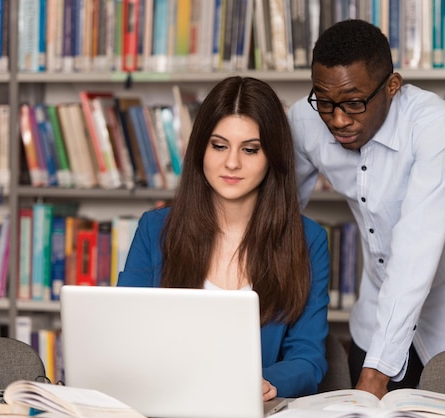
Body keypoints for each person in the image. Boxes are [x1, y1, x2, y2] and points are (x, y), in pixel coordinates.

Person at [287, 19, 445, 399]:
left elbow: (416, 248)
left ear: (392, 87)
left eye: (353, 102)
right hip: (378, 306)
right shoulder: (306, 120)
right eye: (325, 102)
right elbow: (277, 212)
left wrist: (377, 373)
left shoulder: (435, 126)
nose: (338, 119)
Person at [117, 76, 330, 400]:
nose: (232, 162)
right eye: (219, 146)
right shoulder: (154, 229)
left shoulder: (308, 240)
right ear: (200, 148)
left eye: (250, 150)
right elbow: (124, 335)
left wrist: (262, 382)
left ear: (272, 156)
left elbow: (308, 358)